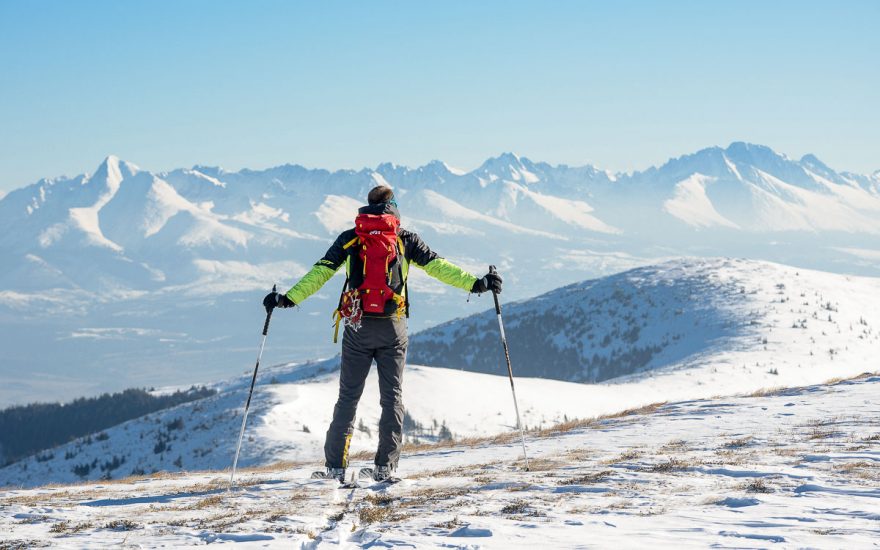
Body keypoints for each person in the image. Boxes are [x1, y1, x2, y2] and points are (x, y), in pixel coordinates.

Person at [263, 185, 502, 483]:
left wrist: (289, 299)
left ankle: (336, 467)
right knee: (392, 397)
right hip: (393, 327)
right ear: (392, 206)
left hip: (358, 327)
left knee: (348, 397)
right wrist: (476, 284)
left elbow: (320, 271)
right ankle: (384, 466)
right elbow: (439, 267)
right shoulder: (405, 239)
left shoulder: (351, 238)